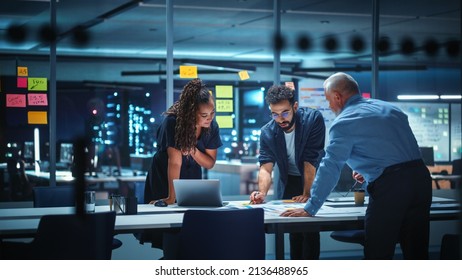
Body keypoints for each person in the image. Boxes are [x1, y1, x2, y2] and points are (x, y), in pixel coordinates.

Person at [281, 72, 432, 260]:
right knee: (417, 252)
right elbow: (396, 150)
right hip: (421, 181)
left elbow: (330, 167)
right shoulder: (390, 109)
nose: (329, 106)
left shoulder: (344, 123)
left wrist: (311, 207)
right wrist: (368, 170)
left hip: (391, 188)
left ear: (337, 97)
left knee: (378, 253)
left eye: (329, 100)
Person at [140, 78, 223, 253]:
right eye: (204, 115)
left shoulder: (211, 126)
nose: (209, 118)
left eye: (212, 113)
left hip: (191, 174)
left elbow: (209, 163)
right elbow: (175, 161)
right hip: (166, 176)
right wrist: (171, 198)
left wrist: (192, 150)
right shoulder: (173, 122)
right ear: (191, 112)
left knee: (191, 229)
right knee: (171, 232)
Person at [250, 85, 326, 260]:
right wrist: (261, 193)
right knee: (293, 229)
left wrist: (307, 193)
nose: (280, 119)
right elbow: (266, 167)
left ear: (295, 107)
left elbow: (310, 159)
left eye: (285, 112)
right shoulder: (267, 132)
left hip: (313, 177)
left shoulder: (313, 119)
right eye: (275, 114)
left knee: (310, 230)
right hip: (290, 179)